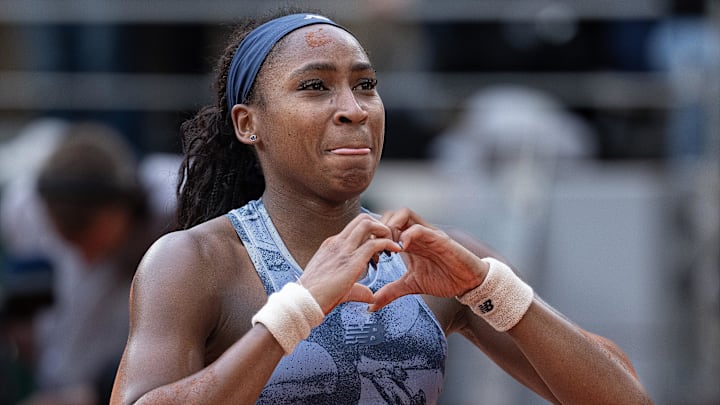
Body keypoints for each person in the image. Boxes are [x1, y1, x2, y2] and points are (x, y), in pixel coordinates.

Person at [110, 9, 652, 404]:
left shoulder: (440, 260)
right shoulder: (194, 261)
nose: (353, 109)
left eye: (365, 85)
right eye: (316, 86)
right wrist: (294, 311)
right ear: (248, 123)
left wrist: (490, 289)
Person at [0, 121, 180, 405]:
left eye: (90, 239)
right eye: (70, 240)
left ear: (123, 206)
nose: (84, 257)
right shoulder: (24, 209)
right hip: (58, 374)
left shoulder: (173, 204)